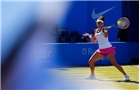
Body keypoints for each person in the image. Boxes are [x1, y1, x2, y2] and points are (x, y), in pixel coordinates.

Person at [83, 16, 130, 81]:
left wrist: (105, 31)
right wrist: (89, 35)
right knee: (90, 61)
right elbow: (94, 40)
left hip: (108, 49)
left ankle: (126, 75)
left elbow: (105, 36)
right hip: (101, 50)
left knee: (114, 64)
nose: (99, 24)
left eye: (100, 23)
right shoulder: (96, 30)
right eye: (98, 22)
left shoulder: (104, 29)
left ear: (103, 24)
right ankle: (92, 75)